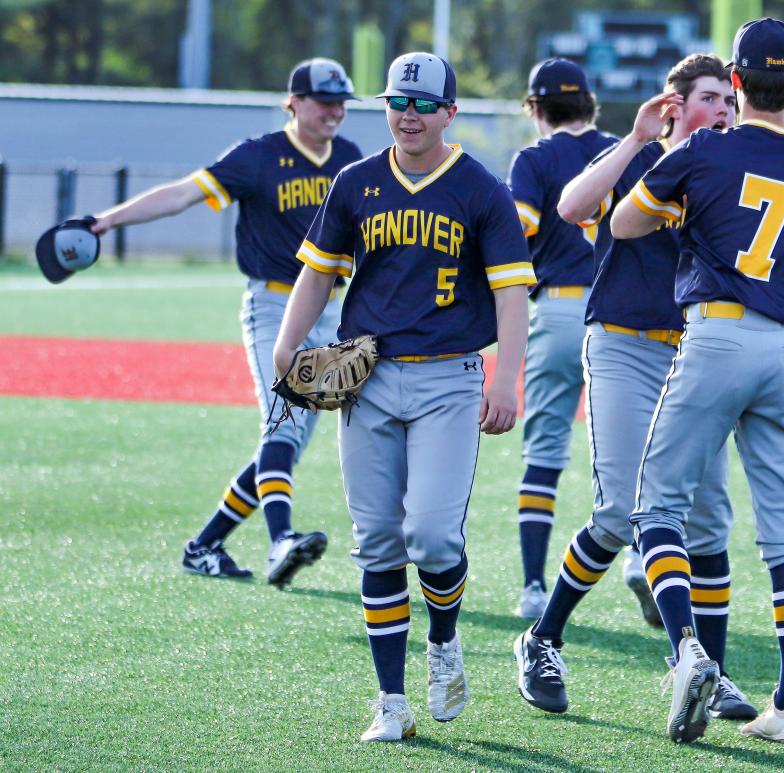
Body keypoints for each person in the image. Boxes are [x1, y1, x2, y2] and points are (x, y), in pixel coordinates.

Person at [610, 18, 784, 745]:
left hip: (716, 332)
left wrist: (677, 174)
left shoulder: (704, 148)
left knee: (657, 503)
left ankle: (690, 650)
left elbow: (626, 223)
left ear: (738, 83)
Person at [273, 52, 534, 743]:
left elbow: (512, 290)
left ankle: (444, 640)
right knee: (379, 541)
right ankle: (391, 700)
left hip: (450, 378)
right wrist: (286, 344)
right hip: (368, 378)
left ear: (450, 112)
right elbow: (318, 274)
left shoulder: (478, 187)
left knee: (432, 533)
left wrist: (507, 377)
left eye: (424, 104)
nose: (409, 115)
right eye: (398, 102)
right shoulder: (357, 181)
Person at [514, 53, 756, 722]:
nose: (725, 110)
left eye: (731, 101)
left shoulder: (733, 181)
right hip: (622, 343)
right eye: (711, 97)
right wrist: (637, 138)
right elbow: (572, 207)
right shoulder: (645, 165)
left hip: (697, 358)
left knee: (708, 519)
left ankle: (715, 668)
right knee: (622, 509)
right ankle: (541, 638)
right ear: (676, 105)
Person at [90, 58, 363, 586]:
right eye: (324, 99)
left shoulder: (350, 158)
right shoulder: (259, 155)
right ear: (294, 102)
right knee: (281, 418)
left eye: (341, 101)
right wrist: (105, 221)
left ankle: (205, 545)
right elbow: (183, 193)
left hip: (332, 310)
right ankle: (280, 540)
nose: (335, 110)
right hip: (273, 306)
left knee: (288, 441)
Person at [506, 58, 618, 620]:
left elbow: (517, 229)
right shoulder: (624, 148)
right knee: (634, 453)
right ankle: (645, 561)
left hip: (557, 310)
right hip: (621, 318)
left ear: (535, 108)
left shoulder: (535, 158)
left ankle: (532, 584)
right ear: (590, 104)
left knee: (544, 450)